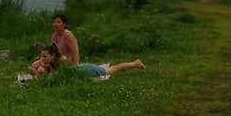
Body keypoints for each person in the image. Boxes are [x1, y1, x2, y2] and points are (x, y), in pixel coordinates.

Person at [18, 43, 147, 83]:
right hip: (81, 70)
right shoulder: (51, 63)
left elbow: (57, 76)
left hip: (86, 69)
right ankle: (135, 64)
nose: (42, 58)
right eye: (42, 56)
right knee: (111, 69)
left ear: (52, 55)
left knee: (111, 70)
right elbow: (50, 78)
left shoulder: (62, 60)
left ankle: (135, 64)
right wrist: (35, 73)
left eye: (45, 56)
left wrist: (39, 73)